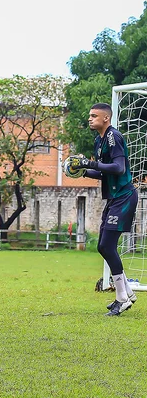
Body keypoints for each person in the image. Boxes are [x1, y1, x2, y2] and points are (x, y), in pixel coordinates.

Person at [68, 102, 138, 316]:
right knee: (102, 246)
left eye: (94, 115)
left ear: (105, 118)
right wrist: (82, 170)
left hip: (124, 196)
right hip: (114, 198)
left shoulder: (112, 137)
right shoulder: (99, 140)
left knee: (107, 246)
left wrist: (90, 165)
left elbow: (119, 168)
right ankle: (126, 292)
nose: (90, 119)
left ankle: (121, 299)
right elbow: (104, 172)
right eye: (89, 115)